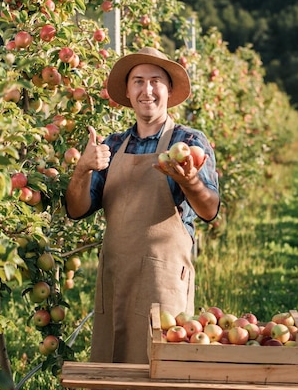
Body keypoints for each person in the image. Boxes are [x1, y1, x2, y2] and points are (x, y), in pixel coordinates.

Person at [65, 47, 220, 364]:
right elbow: (76, 209)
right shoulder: (110, 146)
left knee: (161, 367)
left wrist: (189, 180)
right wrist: (81, 170)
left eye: (155, 81)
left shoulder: (189, 142)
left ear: (169, 90)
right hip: (116, 280)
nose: (146, 90)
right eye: (138, 81)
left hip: (162, 281)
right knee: (113, 368)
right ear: (127, 90)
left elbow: (210, 210)